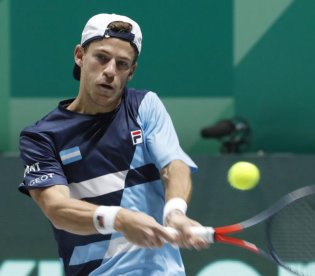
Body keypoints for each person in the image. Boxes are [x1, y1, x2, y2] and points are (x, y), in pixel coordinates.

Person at [18, 13, 207, 275]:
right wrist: (118, 219)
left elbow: (174, 165)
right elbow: (57, 208)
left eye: (122, 64)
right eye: (102, 58)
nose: (110, 71)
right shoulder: (43, 136)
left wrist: (175, 211)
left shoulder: (144, 106)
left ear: (132, 71)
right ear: (80, 56)